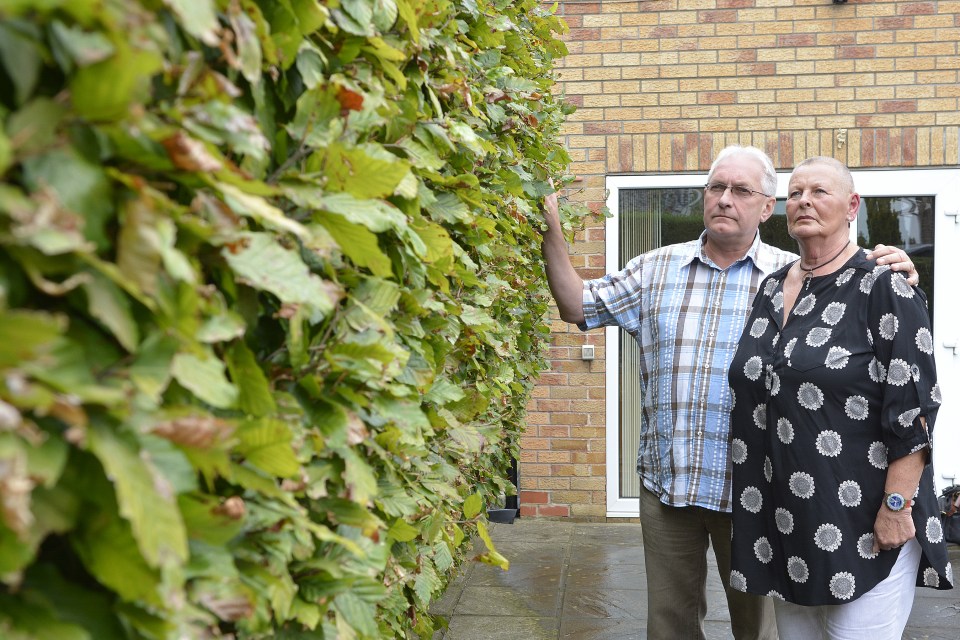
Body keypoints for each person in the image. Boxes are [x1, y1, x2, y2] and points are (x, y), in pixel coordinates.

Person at [540, 145, 919, 640]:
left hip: (759, 491)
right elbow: (576, 305)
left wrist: (899, 275)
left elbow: (885, 353)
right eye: (716, 187)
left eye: (741, 190)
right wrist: (551, 231)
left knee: (758, 629)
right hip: (669, 484)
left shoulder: (796, 277)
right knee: (669, 626)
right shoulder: (657, 268)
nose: (724, 199)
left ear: (766, 208)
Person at [727, 156, 953, 640]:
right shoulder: (770, 287)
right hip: (787, 521)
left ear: (852, 206)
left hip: (865, 522)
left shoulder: (883, 284)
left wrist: (897, 506)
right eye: (794, 193)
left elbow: (914, 408)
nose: (803, 200)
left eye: (819, 192)